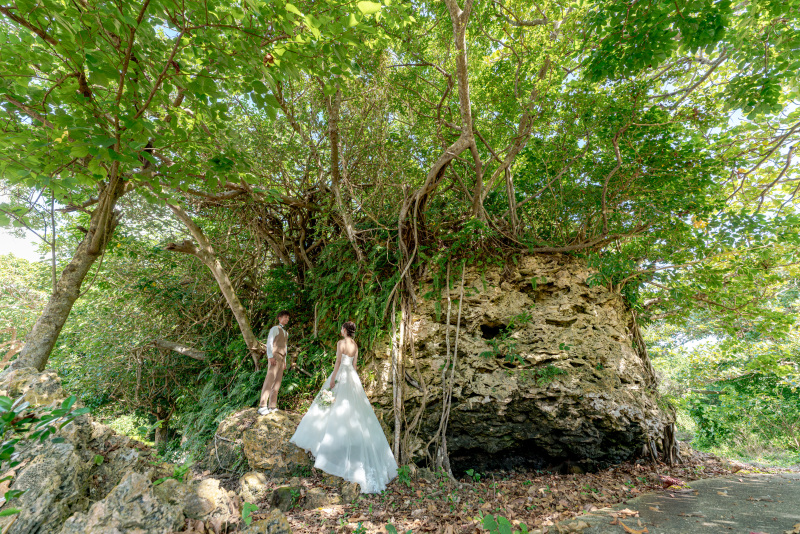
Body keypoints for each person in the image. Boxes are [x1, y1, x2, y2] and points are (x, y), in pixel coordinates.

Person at [290, 321, 398, 493]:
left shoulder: (341, 343)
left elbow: (338, 362)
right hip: (352, 378)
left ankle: (324, 444)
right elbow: (354, 366)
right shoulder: (355, 345)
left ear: (345, 330)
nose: (340, 331)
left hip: (341, 375)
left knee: (328, 405)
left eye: (341, 328)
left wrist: (333, 378)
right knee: (353, 410)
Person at [258, 311, 290, 415]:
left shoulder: (286, 333)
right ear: (279, 318)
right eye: (285, 317)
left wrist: (285, 361)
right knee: (270, 379)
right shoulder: (275, 329)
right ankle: (262, 406)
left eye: (288, 318)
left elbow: (285, 347)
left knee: (277, 382)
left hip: (282, 358)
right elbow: (269, 342)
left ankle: (272, 405)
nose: (287, 319)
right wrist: (270, 356)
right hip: (275, 356)